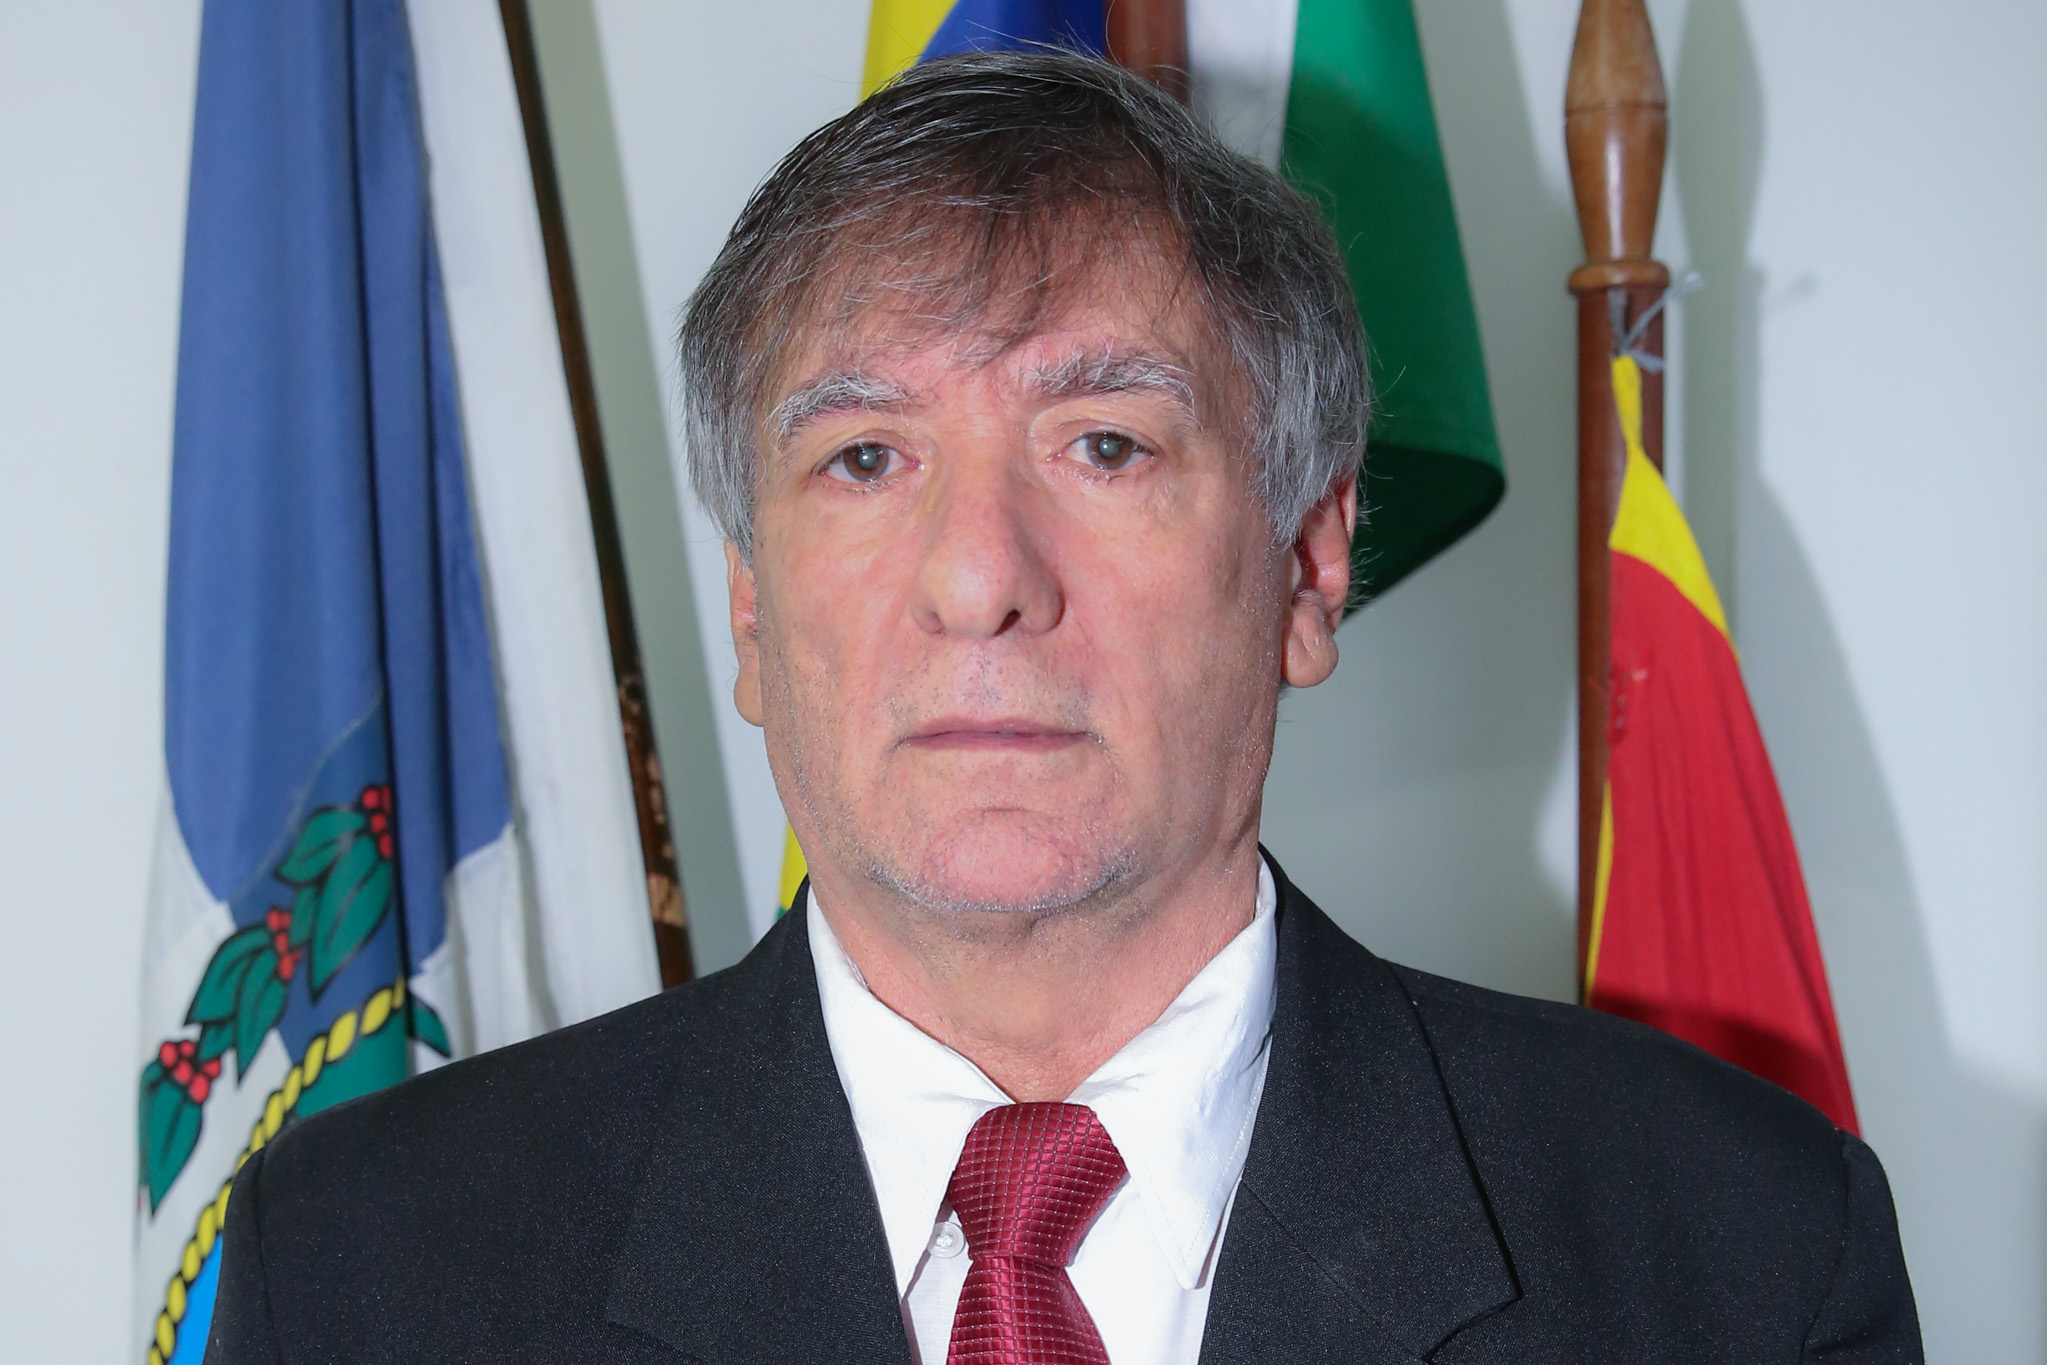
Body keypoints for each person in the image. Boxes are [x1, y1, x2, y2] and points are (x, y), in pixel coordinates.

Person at [206, 50, 1920, 1364]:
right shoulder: (363, 1270)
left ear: (1308, 566)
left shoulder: (1741, 1254)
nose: (979, 577)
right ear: (750, 608)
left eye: (1105, 445)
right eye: (864, 458)